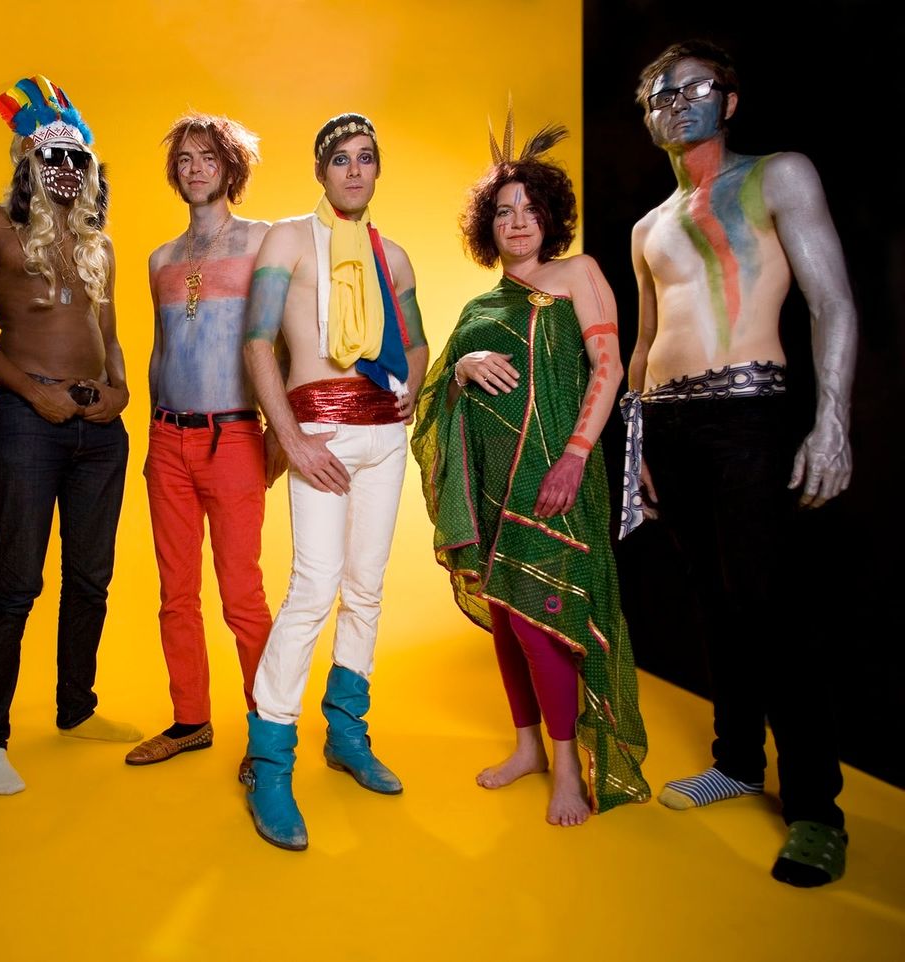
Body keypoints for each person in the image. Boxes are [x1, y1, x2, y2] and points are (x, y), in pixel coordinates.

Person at [624, 40, 856, 886]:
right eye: (658, 95)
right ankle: (736, 762)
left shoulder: (777, 176)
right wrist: (637, 449)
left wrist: (832, 424)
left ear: (728, 99)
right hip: (669, 424)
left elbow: (833, 303)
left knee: (770, 606)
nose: (674, 103)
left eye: (692, 88)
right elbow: (645, 342)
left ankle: (817, 811)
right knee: (714, 604)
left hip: (750, 412)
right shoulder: (648, 226)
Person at [412, 120, 649, 827]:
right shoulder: (480, 307)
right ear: (487, 227)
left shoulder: (579, 275)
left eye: (529, 209)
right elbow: (435, 394)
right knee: (508, 621)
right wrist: (461, 366)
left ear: (551, 217)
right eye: (502, 211)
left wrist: (574, 455)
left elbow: (608, 368)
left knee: (545, 622)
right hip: (489, 483)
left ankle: (568, 768)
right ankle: (527, 748)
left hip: (554, 475)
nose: (516, 222)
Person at [240, 113, 428, 850]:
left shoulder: (393, 255)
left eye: (366, 158)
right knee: (312, 589)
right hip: (317, 429)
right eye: (341, 158)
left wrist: (411, 387)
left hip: (383, 437)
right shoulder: (287, 239)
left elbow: (416, 342)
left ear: (377, 169)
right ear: (321, 170)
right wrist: (288, 438)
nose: (354, 170)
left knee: (366, 589)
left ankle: (347, 734)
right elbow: (257, 342)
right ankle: (270, 759)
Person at [0, 75, 137, 796]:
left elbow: (111, 337)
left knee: (90, 577)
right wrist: (34, 393)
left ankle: (76, 706)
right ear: (29, 160)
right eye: (53, 155)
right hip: (29, 422)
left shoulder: (99, 245)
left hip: (99, 427)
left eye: (78, 158)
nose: (66, 168)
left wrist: (120, 392)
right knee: (17, 579)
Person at [125, 114, 279, 767]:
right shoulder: (161, 258)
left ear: (230, 167)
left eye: (208, 157)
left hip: (235, 433)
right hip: (168, 439)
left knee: (242, 594)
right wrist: (152, 439)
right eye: (184, 159)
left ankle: (269, 730)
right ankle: (190, 719)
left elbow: (287, 341)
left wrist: (279, 439)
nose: (195, 168)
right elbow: (161, 351)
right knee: (176, 594)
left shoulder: (264, 241)